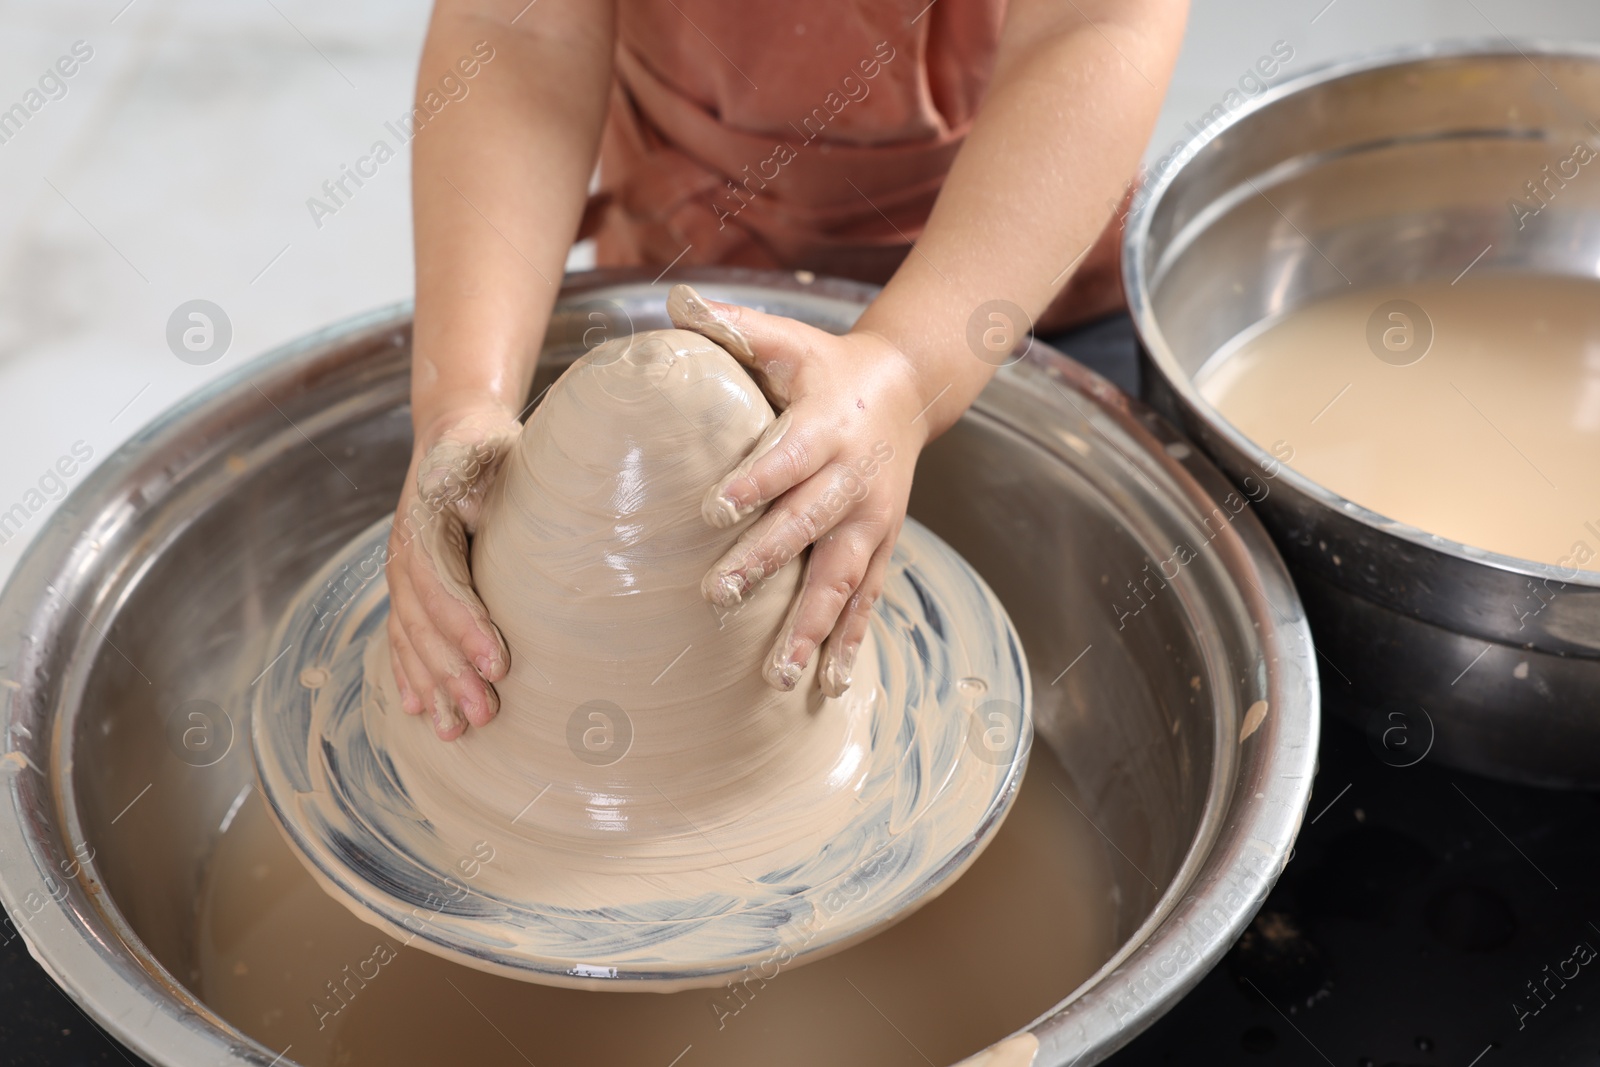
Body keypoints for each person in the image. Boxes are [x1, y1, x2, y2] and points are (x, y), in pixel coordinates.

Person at [385, 0, 1187, 739]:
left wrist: (904, 370)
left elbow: (1092, 25)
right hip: (691, 259)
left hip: (1017, 269)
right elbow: (522, 29)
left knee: (1115, 653)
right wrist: (464, 395)